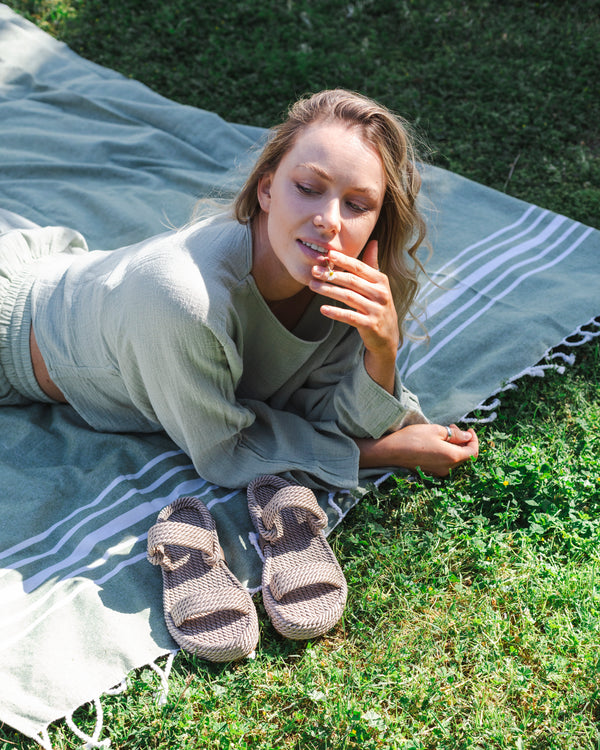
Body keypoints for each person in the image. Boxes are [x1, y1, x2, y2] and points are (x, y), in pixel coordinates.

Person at [0, 89, 478, 491]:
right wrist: (384, 452)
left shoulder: (338, 281)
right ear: (267, 190)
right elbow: (226, 452)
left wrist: (381, 350)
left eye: (356, 204)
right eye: (308, 187)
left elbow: (327, 409)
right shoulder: (182, 299)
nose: (329, 221)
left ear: (376, 221)